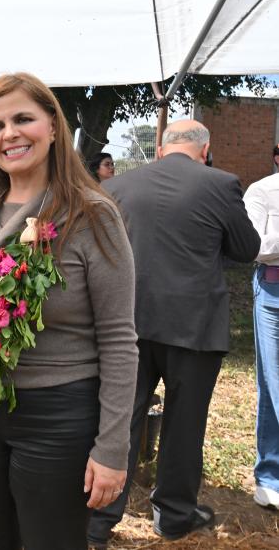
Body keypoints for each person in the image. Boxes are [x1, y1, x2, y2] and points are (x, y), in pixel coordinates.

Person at [0, 72, 138, 550]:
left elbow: (120, 340)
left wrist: (112, 448)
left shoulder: (91, 214)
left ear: (52, 126)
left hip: (58, 416)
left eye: (23, 118)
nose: (10, 134)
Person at [88, 119, 261, 547]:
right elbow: (246, 248)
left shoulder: (117, 186)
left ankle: (99, 518)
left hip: (127, 323)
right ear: (206, 149)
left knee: (119, 418)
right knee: (185, 423)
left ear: (162, 150)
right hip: (194, 325)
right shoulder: (221, 183)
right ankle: (175, 513)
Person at [244, 154, 279, 510]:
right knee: (272, 382)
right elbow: (253, 247)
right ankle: (270, 477)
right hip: (273, 293)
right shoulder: (263, 191)